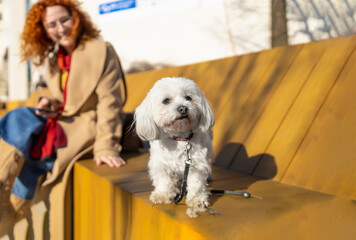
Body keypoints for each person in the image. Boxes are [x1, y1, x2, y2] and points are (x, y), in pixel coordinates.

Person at [0, 0, 136, 237]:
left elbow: (110, 101)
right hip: (62, 123)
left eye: (64, 20)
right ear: (43, 29)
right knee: (30, 163)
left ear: (76, 18)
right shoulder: (55, 59)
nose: (60, 28)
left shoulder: (100, 49)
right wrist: (49, 101)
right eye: (51, 24)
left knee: (20, 119)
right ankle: (6, 221)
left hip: (87, 125)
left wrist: (106, 146)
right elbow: (63, 97)